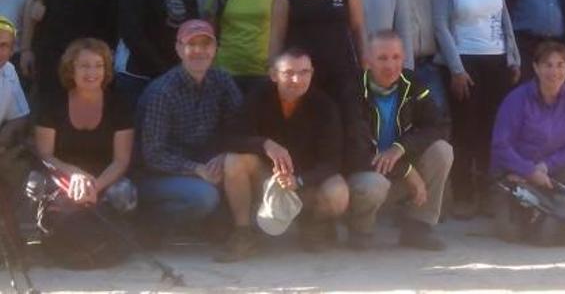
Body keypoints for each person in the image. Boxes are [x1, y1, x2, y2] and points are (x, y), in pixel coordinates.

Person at [216, 48, 348, 261]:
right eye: (289, 73)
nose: (297, 79)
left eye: (305, 72)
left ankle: (313, 226)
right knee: (233, 160)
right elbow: (230, 137)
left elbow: (332, 162)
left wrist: (299, 181)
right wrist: (265, 144)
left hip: (305, 181)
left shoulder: (325, 106)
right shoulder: (258, 97)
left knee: (338, 192)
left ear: (312, 73)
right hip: (268, 179)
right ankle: (244, 233)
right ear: (273, 75)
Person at [433, 0, 520, 219]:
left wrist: (514, 56)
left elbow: (504, 16)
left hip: (496, 59)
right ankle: (463, 193)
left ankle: (488, 192)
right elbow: (441, 26)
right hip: (464, 61)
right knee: (465, 130)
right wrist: (456, 69)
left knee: (492, 130)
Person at [136, 20, 243, 243]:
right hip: (157, 175)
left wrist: (226, 156)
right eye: (191, 44)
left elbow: (241, 125)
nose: (199, 51)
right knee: (204, 197)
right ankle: (145, 225)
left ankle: (225, 229)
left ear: (215, 49)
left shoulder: (222, 81)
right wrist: (196, 169)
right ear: (178, 49)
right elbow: (153, 155)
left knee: (243, 168)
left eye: (206, 44)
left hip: (207, 167)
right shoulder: (163, 91)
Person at [490, 41, 565, 238]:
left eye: (560, 65)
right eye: (548, 65)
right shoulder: (516, 99)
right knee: (510, 233)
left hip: (554, 171)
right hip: (515, 175)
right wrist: (528, 171)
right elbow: (501, 146)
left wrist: (545, 167)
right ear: (536, 68)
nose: (554, 72)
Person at [346, 30, 452, 251]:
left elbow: (439, 126)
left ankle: (418, 227)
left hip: (398, 168)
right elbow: (355, 150)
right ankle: (360, 229)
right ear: (367, 61)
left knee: (442, 151)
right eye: (382, 58)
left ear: (404, 59)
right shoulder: (353, 90)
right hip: (363, 173)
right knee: (373, 185)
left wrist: (400, 147)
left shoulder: (412, 82)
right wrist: (407, 171)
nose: (390, 65)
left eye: (395, 57)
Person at [34, 38, 135, 212]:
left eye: (98, 65)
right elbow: (45, 155)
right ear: (71, 69)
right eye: (84, 66)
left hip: (105, 176)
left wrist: (93, 187)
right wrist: (74, 174)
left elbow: (121, 161)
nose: (92, 72)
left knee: (123, 192)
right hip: (64, 174)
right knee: (38, 186)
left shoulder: (119, 105)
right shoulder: (52, 104)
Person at [0, 17, 30, 192]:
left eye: (4, 45)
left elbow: (20, 116)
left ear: (12, 50)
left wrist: (2, 140)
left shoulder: (9, 70)